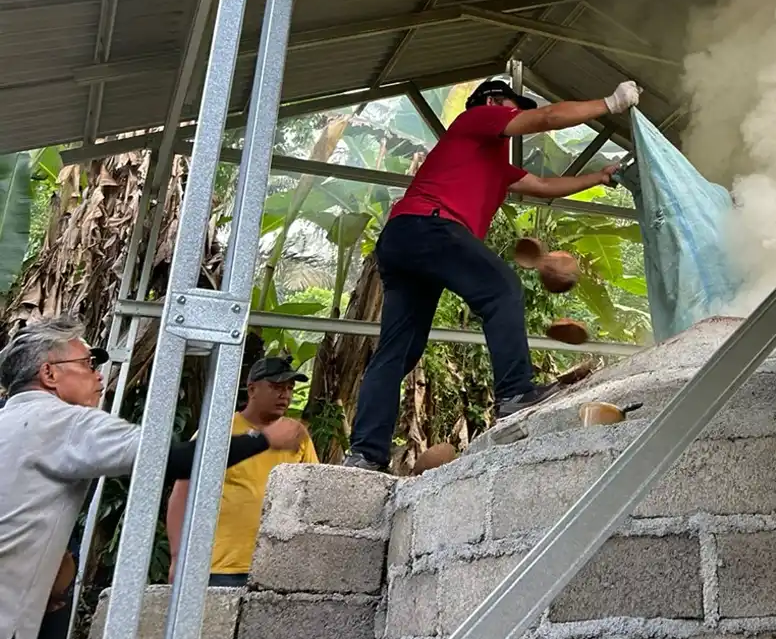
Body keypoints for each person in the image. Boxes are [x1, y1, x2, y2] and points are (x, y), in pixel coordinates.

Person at [343, 78, 642, 471]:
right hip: (430, 226)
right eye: (509, 103)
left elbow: (547, 186)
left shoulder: (496, 165)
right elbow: (548, 117)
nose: (512, 110)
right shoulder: (477, 120)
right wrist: (610, 101)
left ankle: (365, 453)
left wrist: (598, 177)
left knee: (398, 350)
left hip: (403, 240)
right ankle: (515, 393)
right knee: (501, 289)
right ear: (490, 102)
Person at [0, 316, 304, 639]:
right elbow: (170, 461)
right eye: (88, 364)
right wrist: (264, 439)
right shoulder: (65, 422)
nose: (99, 375)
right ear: (49, 373)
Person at [165, 357, 318, 587]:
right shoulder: (220, 431)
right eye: (276, 387)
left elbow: (314, 494)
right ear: (252, 389)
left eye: (289, 388)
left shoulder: (296, 434)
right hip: (219, 565)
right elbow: (182, 495)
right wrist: (177, 556)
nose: (285, 395)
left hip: (276, 566)